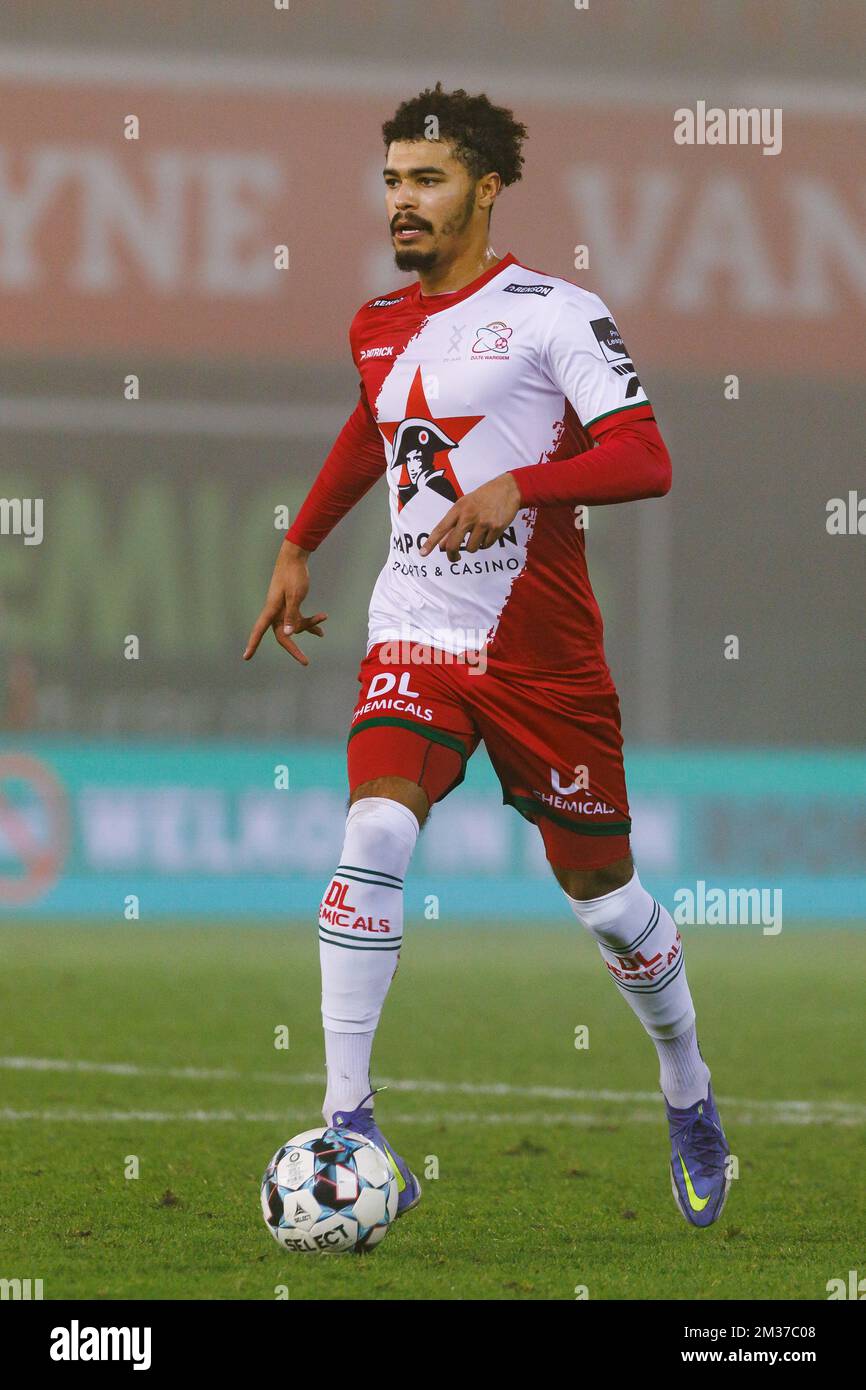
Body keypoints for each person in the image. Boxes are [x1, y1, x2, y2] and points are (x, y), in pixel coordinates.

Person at [245, 83, 730, 1228]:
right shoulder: (374, 321)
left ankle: (686, 1089)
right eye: (391, 182)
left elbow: (645, 455)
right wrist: (300, 539)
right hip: (413, 623)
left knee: (603, 898)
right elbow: (373, 425)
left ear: (486, 187)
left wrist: (521, 483)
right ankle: (349, 1119)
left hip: (538, 654)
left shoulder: (554, 311)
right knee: (372, 826)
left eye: (427, 180)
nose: (402, 203)